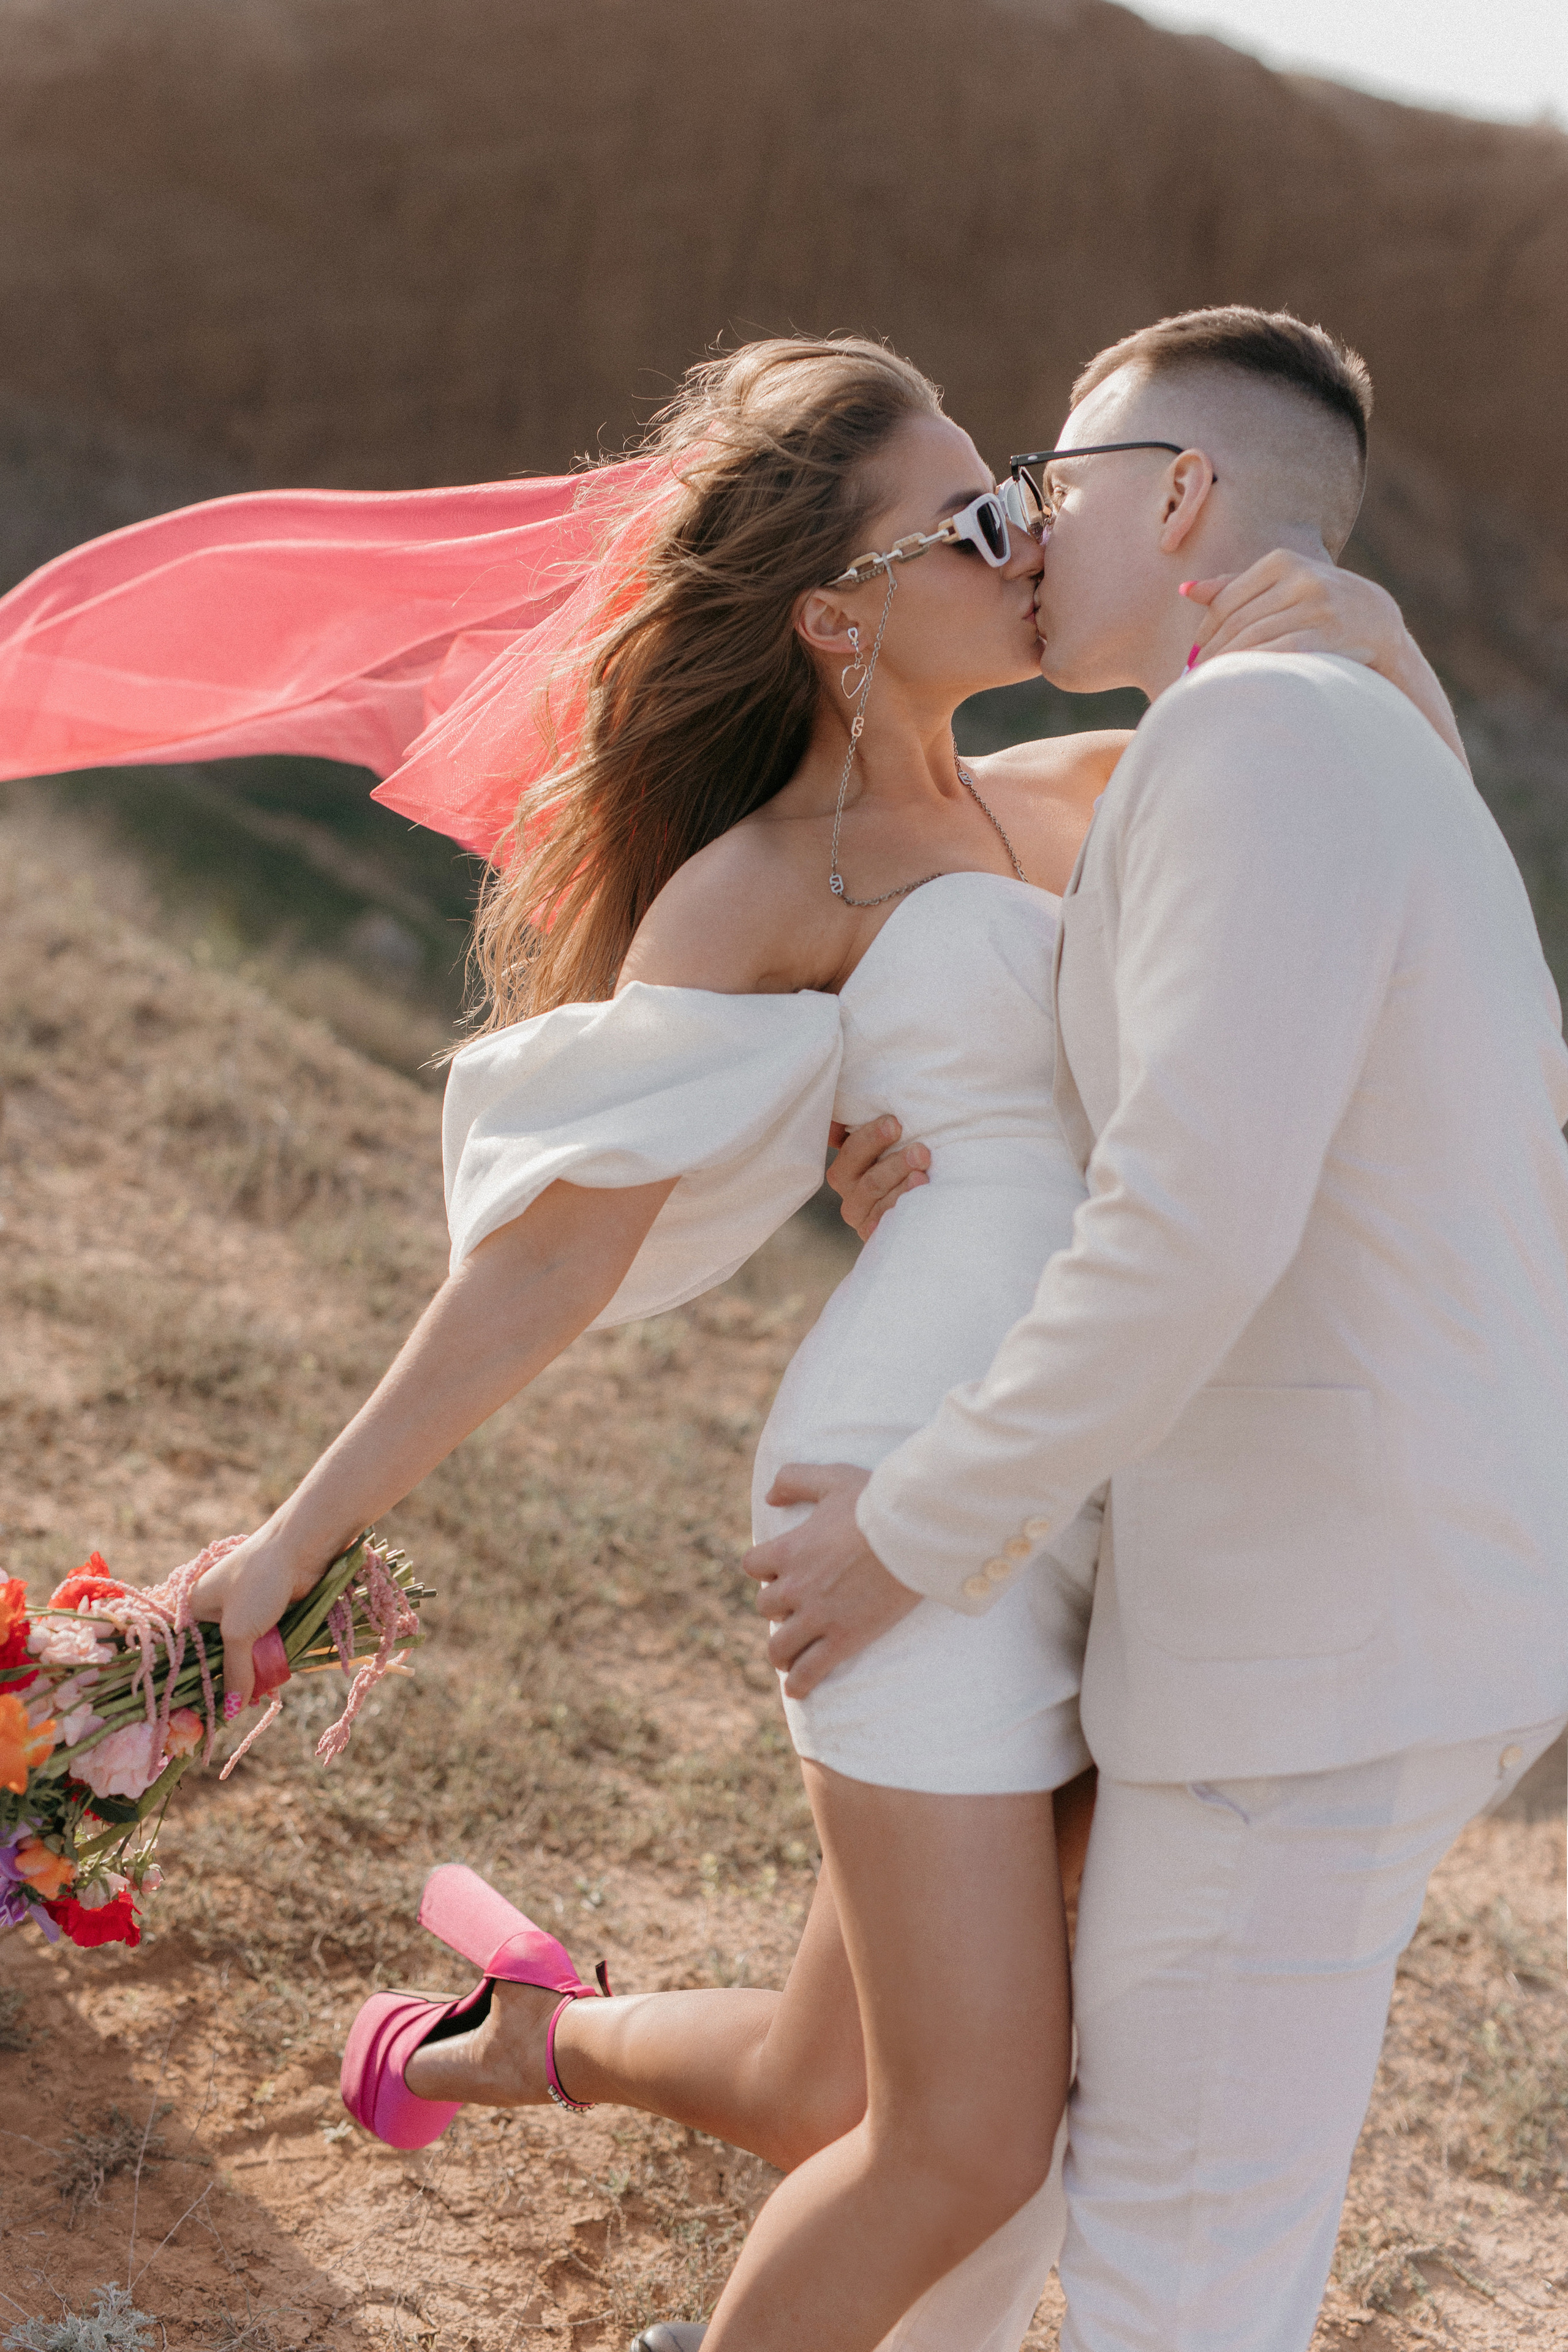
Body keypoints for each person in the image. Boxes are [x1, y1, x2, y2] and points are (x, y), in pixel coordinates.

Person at [0, 328, 1471, 2352]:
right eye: (967, 514)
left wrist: (1383, 640)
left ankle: (511, 2040)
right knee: (967, 2147)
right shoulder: (768, 883)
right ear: (834, 621)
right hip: (904, 1519)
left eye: (1019, 488)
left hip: (1114, 1520)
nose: (1022, 530)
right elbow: (549, 1264)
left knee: (822, 2087)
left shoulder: (1103, 784)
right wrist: (277, 1556)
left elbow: (1392, 907)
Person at [745, 307, 1568, 2352]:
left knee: (1176, 2275)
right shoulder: (1341, 734)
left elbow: (1191, 1221)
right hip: (1370, 1614)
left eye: (1059, 479)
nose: (1024, 527)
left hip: (1316, 1635)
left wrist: (911, 1528)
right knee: (1146, 2192)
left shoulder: (1251, 732)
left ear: (1181, 496)